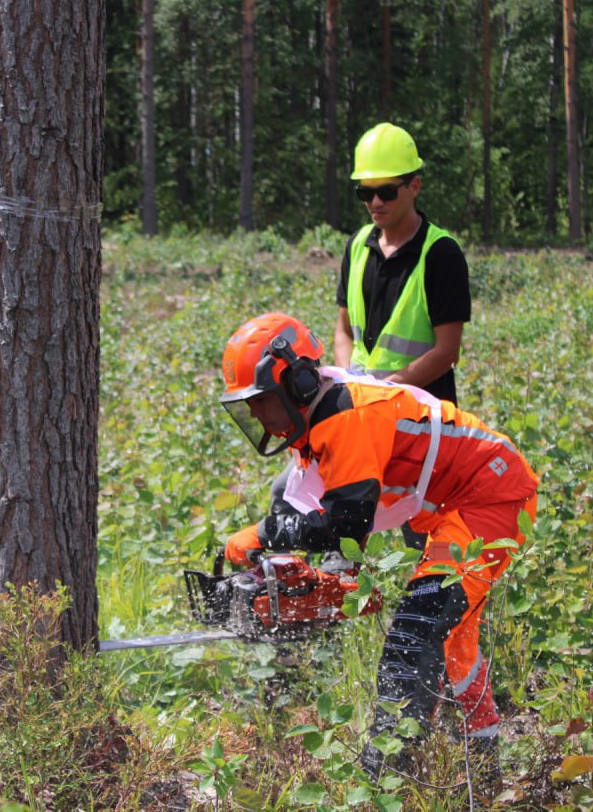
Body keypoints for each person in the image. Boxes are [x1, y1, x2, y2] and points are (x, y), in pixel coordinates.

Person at [218, 311, 537, 788]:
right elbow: (340, 538)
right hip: (453, 507)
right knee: (451, 633)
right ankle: (486, 760)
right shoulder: (311, 434)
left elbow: (342, 523)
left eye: (262, 401)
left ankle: (385, 774)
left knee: (417, 628)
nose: (259, 415)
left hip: (490, 492)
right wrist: (326, 585)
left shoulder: (348, 416)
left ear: (298, 381)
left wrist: (266, 533)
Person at [335, 122, 470, 406]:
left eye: (386, 192)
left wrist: (383, 392)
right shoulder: (357, 245)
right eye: (365, 193)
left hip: (422, 422)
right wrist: (349, 386)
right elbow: (344, 331)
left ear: (415, 187)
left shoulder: (441, 254)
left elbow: (447, 351)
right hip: (364, 414)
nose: (374, 202)